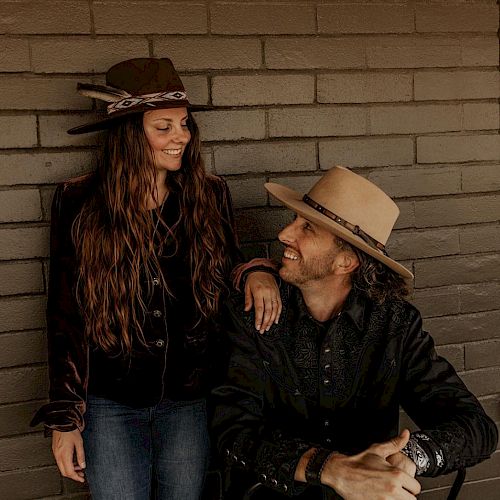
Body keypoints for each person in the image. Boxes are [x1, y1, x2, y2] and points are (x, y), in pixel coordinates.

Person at [30, 57, 280, 500]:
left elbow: (229, 268)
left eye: (183, 124)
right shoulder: (80, 201)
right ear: (129, 135)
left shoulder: (208, 194)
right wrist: (66, 419)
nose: (180, 137)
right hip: (110, 402)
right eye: (163, 127)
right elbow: (65, 314)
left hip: (190, 399)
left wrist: (258, 272)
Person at [211, 166, 498, 499]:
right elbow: (231, 430)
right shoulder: (253, 313)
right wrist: (331, 468)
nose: (285, 235)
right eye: (294, 221)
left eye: (307, 228)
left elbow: (477, 428)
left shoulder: (394, 323)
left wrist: (406, 459)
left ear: (345, 262)